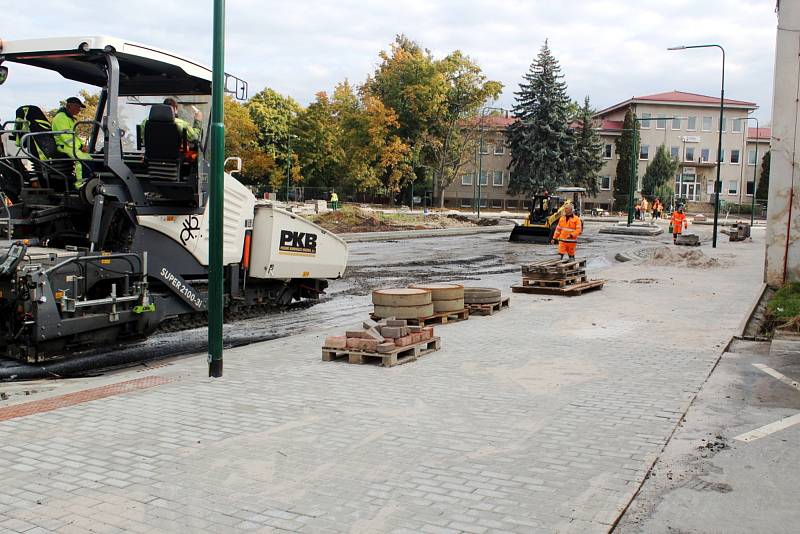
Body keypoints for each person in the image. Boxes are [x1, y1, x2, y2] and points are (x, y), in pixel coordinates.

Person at [51, 96, 92, 188]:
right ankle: (80, 185)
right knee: (82, 161)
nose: (79, 110)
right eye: (77, 107)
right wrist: (80, 147)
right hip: (63, 145)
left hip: (71, 145)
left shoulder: (69, 118)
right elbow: (66, 137)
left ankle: (89, 182)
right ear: (69, 106)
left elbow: (75, 136)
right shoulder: (60, 118)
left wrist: (82, 145)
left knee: (89, 158)